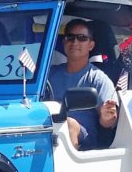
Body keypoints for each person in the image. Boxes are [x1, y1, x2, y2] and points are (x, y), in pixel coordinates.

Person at [48, 19, 118, 149]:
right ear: (64, 42)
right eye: (70, 37)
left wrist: (107, 116)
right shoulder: (50, 74)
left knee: (68, 124)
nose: (75, 42)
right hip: (48, 131)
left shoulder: (98, 78)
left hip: (84, 142)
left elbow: (109, 123)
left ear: (91, 45)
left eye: (82, 38)